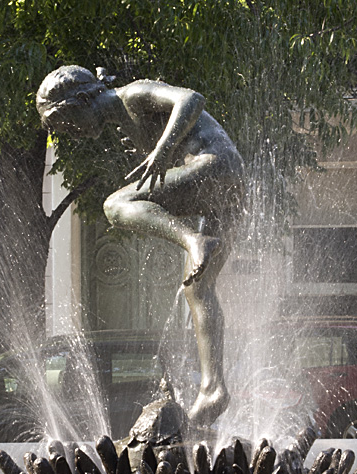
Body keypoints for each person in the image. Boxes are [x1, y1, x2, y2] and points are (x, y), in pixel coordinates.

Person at [36, 65, 244, 426]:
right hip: (231, 187)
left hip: (215, 167)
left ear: (83, 101)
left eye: (65, 122)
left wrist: (162, 152)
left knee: (116, 205)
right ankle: (213, 387)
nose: (70, 133)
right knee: (198, 286)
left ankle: (194, 239)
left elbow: (191, 99)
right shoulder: (122, 121)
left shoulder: (132, 94)